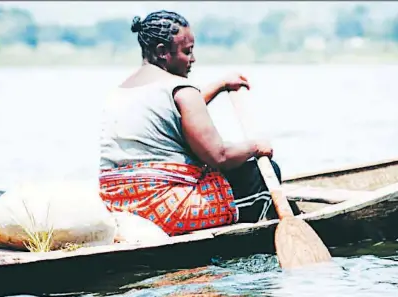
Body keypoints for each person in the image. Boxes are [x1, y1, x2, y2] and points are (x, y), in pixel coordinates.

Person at [99, 10, 289, 236]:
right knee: (262, 173)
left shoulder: (121, 91)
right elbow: (219, 156)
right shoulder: (181, 90)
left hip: (118, 203)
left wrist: (220, 85)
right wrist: (256, 147)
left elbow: (177, 113)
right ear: (162, 53)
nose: (193, 59)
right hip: (164, 210)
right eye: (187, 52)